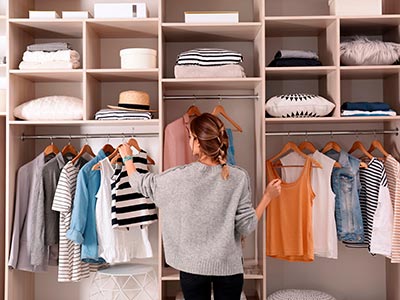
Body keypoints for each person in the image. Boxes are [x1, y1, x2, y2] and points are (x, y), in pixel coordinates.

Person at [119, 112, 281, 300]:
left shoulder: (179, 176)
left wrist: (128, 160)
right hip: (229, 269)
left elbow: (140, 183)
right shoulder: (239, 177)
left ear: (197, 142)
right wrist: (268, 197)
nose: (189, 141)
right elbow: (246, 226)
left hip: (192, 269)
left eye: (190, 137)